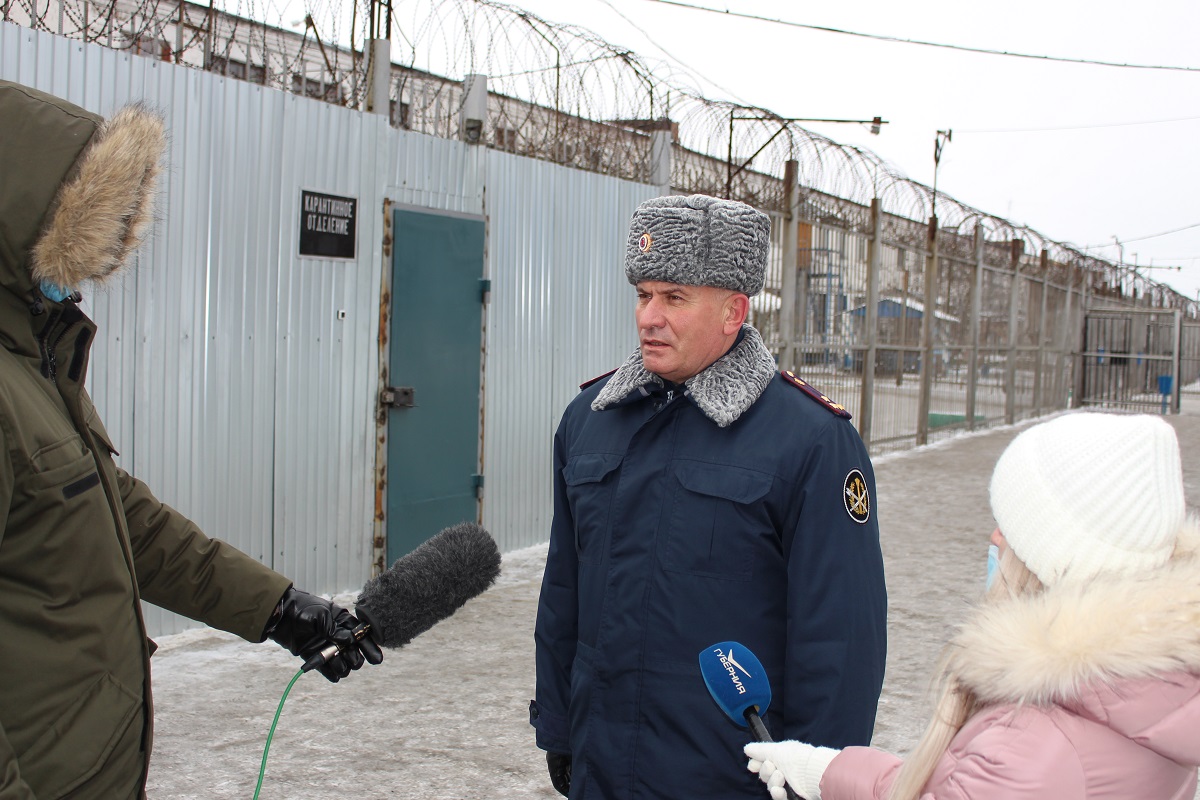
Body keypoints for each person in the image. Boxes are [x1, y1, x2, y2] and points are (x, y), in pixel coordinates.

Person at [0, 80, 382, 799]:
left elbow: (127, 525)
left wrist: (278, 608)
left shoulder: (36, 363)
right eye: (81, 224)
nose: (91, 261)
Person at [530, 194, 888, 799]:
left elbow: (841, 640)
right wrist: (562, 730)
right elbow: (564, 593)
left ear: (733, 311)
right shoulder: (588, 421)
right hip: (601, 768)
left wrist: (817, 778)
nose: (649, 316)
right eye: (643, 294)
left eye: (674, 297)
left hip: (733, 779)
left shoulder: (811, 440)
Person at [744, 411, 1200, 800]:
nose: (994, 537)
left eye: (1009, 525)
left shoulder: (1030, 741)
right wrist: (825, 772)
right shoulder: (1148, 684)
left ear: (1057, 556)